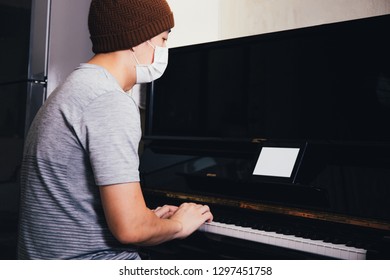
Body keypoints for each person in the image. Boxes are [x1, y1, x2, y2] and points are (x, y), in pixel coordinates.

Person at [17, 0, 213, 260]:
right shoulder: (108, 99)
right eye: (163, 39)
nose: (165, 49)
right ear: (138, 38)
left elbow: (77, 205)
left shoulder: (73, 88)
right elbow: (130, 229)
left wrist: (147, 218)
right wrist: (179, 225)